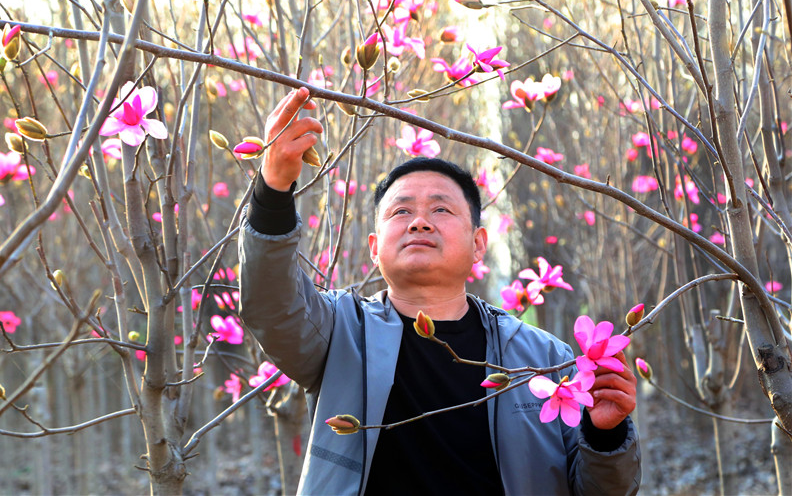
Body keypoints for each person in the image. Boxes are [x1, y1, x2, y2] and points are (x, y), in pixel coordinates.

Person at [239, 87, 641, 495]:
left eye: (441, 209)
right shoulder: (340, 332)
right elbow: (272, 306)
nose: (419, 222)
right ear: (375, 248)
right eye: (401, 211)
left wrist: (604, 436)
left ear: (478, 243)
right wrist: (272, 189)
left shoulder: (545, 360)